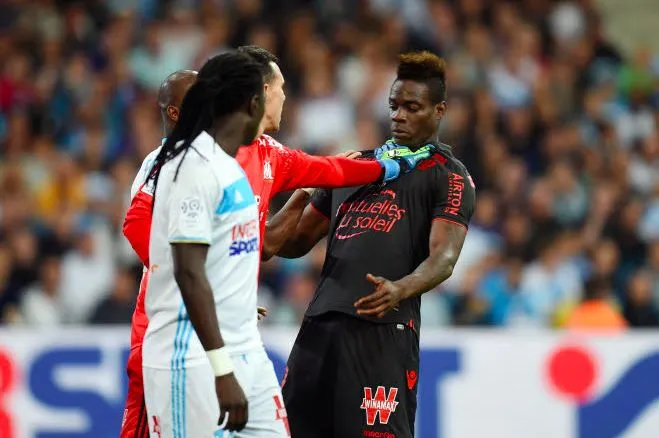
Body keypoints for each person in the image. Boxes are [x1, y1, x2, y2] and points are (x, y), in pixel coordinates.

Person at [120, 47, 434, 437]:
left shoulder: (259, 157)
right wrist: (216, 301)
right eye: (281, 87)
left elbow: (324, 173)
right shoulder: (184, 164)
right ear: (256, 97)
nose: (286, 95)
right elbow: (171, 255)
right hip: (186, 343)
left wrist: (388, 167)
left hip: (240, 342)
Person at [276, 51, 476, 438]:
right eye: (394, 106)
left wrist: (400, 288)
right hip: (319, 327)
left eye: (412, 107)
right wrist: (306, 190)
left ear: (439, 111)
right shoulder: (358, 165)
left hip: (382, 331)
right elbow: (294, 243)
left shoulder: (449, 176)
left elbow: (445, 257)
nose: (398, 115)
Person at [141, 50, 273, 436]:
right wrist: (222, 369)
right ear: (253, 104)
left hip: (246, 350)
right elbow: (188, 271)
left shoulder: (228, 167)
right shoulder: (192, 167)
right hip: (193, 359)